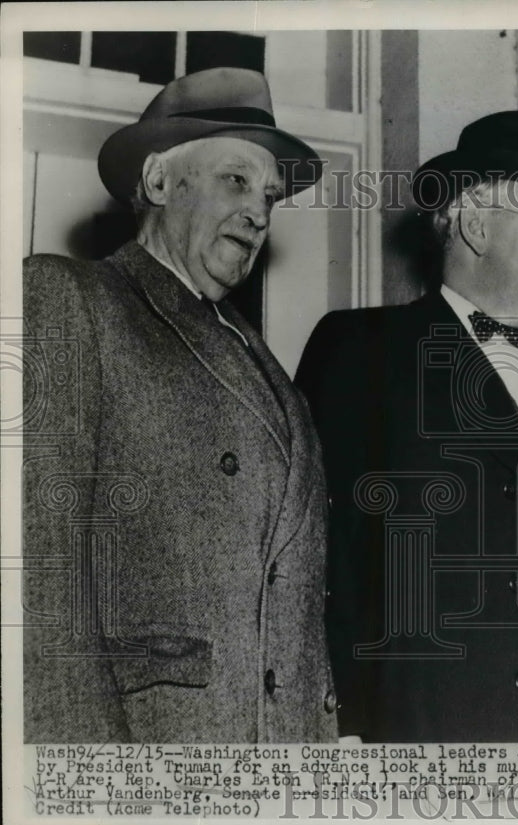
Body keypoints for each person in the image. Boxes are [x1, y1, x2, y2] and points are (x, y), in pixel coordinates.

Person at [296, 111, 518, 742]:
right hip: (437, 744)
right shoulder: (361, 353)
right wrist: (341, 722)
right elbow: (317, 559)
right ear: (475, 222)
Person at [22, 67, 337, 742]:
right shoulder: (72, 299)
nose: (259, 210)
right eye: (236, 180)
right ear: (161, 180)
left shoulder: (268, 369)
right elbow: (39, 582)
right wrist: (87, 787)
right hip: (155, 754)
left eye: (271, 196)